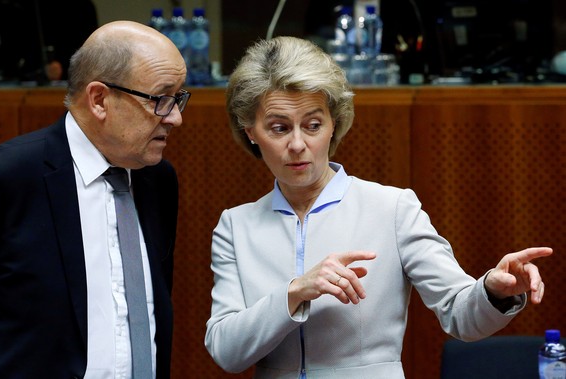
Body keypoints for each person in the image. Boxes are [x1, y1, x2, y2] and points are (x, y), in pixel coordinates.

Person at [204, 36, 553, 378]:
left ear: (333, 124)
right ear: (251, 131)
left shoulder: (392, 208)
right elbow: (226, 351)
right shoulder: (236, 226)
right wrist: (294, 292)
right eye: (279, 128)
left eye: (313, 125)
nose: (297, 144)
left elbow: (461, 315)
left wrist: (492, 288)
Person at [0, 21, 189, 378]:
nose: (176, 117)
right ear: (99, 100)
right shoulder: (5, 178)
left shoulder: (158, 180)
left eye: (178, 98)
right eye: (161, 99)